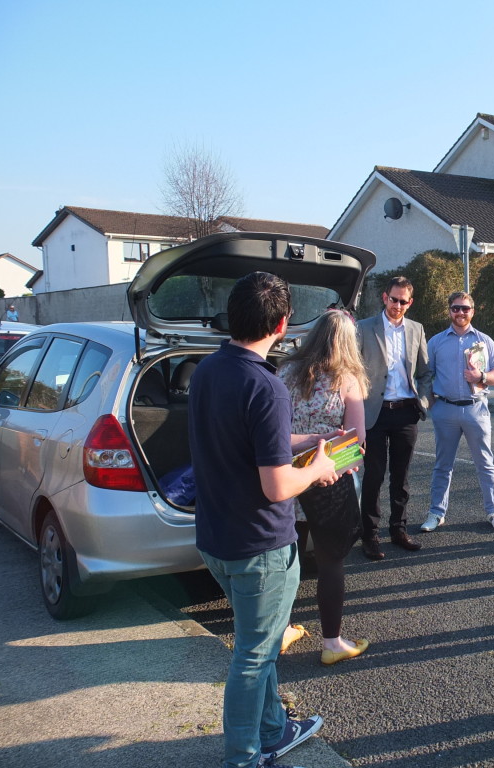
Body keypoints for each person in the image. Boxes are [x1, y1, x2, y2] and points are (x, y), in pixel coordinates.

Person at [189, 271, 334, 768]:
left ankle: (274, 729)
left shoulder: (207, 371)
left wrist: (311, 444)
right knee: (252, 656)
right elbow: (276, 485)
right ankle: (244, 756)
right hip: (260, 547)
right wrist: (320, 470)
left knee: (263, 641)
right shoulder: (267, 387)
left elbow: (256, 447)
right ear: (282, 322)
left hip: (215, 538)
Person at [278, 309, 371, 667]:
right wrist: (330, 462)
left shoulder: (285, 372)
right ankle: (332, 642)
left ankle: (282, 628)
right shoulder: (349, 380)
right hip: (330, 480)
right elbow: (356, 443)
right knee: (331, 561)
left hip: (290, 477)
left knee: (289, 559)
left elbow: (275, 437)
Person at [356, 276, 432, 560]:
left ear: (409, 303)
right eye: (393, 299)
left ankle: (398, 530)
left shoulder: (416, 329)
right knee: (373, 477)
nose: (397, 305)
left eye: (403, 301)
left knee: (401, 478)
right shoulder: (363, 328)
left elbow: (425, 372)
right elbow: (353, 370)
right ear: (384, 297)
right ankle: (370, 536)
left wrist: (422, 402)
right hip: (373, 413)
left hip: (405, 413)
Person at [421, 290, 494, 532]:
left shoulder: (484, 341)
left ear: (473, 311)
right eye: (455, 308)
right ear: (449, 311)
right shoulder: (436, 342)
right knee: (442, 465)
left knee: (485, 463)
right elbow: (426, 375)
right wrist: (431, 403)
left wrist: (482, 376)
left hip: (475, 409)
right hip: (445, 409)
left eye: (465, 308)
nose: (460, 312)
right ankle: (436, 513)